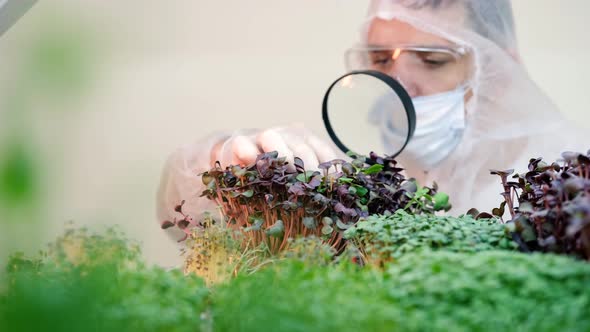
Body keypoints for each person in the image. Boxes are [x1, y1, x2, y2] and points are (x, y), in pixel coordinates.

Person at [156, 0, 587, 233]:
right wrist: (226, 161)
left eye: (432, 60)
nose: (398, 83)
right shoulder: (361, 162)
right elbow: (179, 217)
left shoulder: (567, 181)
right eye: (381, 58)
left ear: (499, 72)